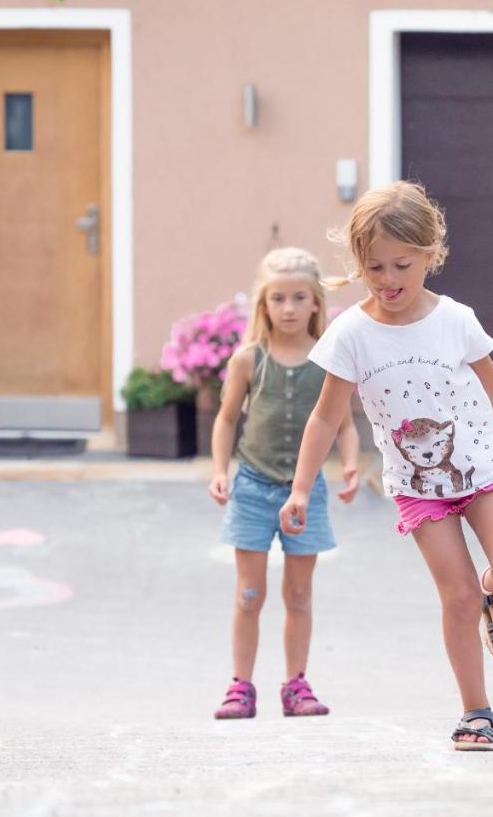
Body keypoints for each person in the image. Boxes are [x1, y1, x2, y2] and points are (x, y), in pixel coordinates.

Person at [278, 182, 493, 750]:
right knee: (455, 595)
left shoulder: (455, 319)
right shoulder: (351, 334)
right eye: (374, 267)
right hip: (419, 488)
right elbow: (323, 419)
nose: (388, 280)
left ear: (431, 254)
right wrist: (299, 489)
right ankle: (476, 712)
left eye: (401, 265)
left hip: (481, 470)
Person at [208, 247, 360, 720]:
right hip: (252, 487)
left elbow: (345, 425)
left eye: (299, 298)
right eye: (278, 299)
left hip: (305, 490)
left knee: (298, 594)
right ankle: (240, 687)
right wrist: (219, 471)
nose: (289, 308)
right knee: (249, 593)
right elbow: (227, 418)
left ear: (316, 302)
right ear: (264, 305)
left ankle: (296, 685)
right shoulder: (248, 360)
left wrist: (351, 465)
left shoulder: (328, 359)